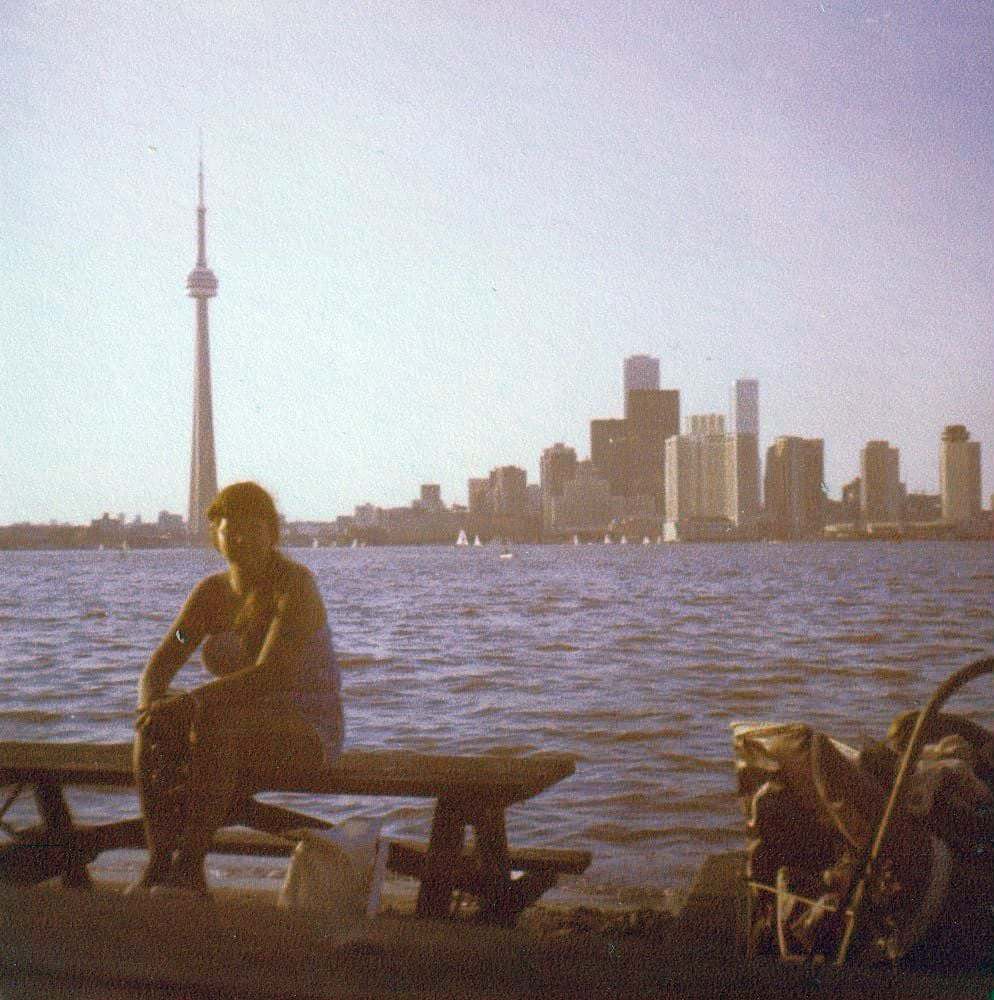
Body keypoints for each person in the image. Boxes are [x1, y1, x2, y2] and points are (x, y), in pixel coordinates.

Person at [131, 482, 343, 895]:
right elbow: (164, 660)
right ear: (215, 535)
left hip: (306, 730)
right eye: (231, 530)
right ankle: (158, 861)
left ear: (272, 533)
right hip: (233, 731)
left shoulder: (294, 587)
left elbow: (271, 673)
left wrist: (187, 705)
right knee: (153, 727)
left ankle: (189, 869)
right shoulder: (210, 596)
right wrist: (151, 707)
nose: (241, 539)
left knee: (211, 717)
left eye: (253, 529)